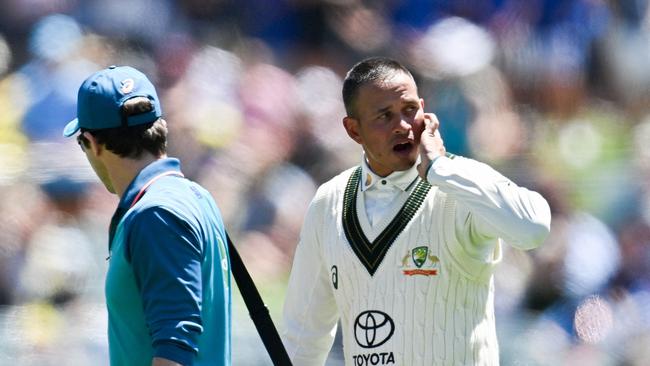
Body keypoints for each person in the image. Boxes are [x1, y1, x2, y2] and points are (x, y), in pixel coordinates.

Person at [282, 57, 552, 366]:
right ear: (353, 130)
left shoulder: (459, 185)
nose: (403, 126)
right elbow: (302, 338)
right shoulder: (328, 202)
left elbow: (534, 227)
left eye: (410, 110)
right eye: (384, 116)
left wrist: (441, 169)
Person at [63, 65, 231, 366]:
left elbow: (174, 349)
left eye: (81, 144)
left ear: (92, 142)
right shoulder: (195, 196)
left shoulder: (155, 214)